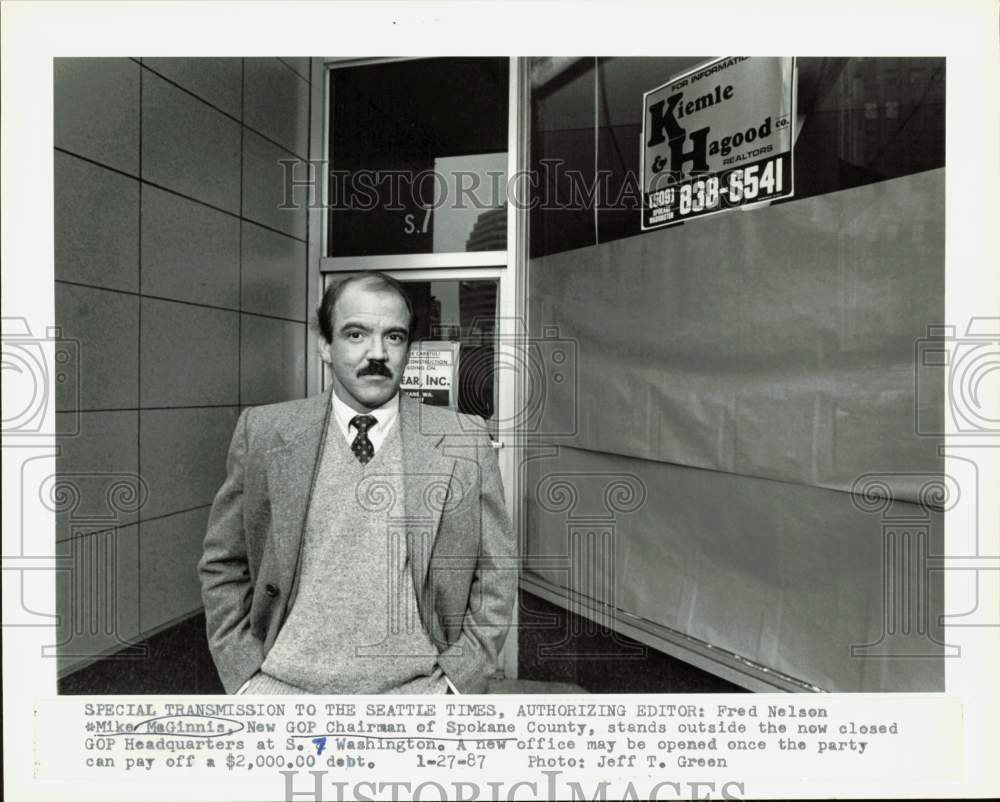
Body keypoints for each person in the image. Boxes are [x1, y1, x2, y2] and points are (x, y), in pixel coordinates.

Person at [198, 272, 515, 695]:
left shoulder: (463, 439)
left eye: (395, 337)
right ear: (325, 346)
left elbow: (497, 570)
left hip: (419, 694)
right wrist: (245, 679)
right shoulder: (264, 432)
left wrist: (458, 682)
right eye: (355, 334)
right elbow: (223, 562)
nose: (378, 353)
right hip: (279, 690)